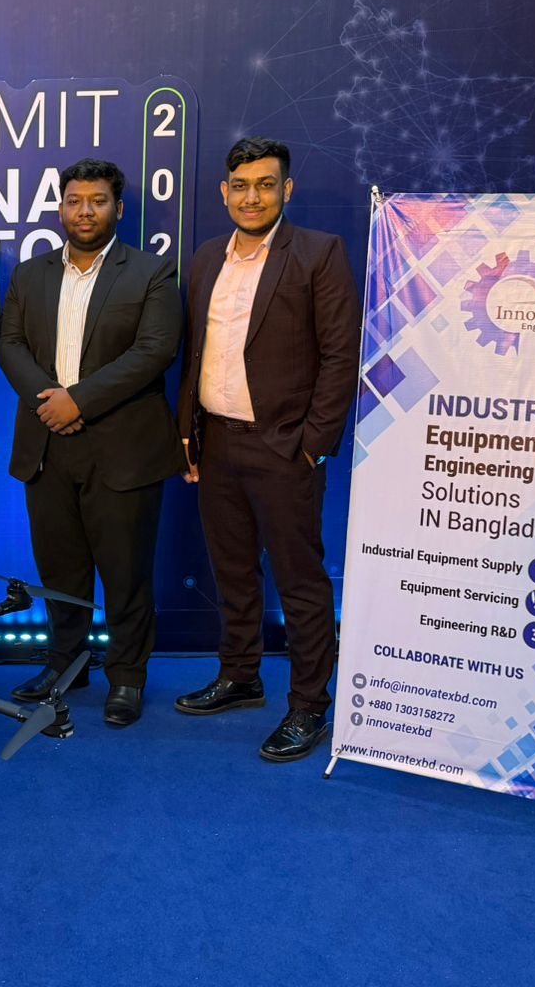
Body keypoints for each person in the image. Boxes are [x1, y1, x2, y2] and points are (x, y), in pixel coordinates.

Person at [174, 136, 360, 761]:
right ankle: (240, 676)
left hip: (285, 451)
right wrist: (188, 435)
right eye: (240, 186)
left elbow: (340, 356)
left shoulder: (318, 253)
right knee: (233, 571)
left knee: (300, 582)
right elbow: (195, 355)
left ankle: (308, 706)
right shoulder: (207, 258)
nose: (251, 197)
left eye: (265, 184)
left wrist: (313, 447)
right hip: (217, 444)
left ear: (287, 190)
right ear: (224, 192)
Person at [0, 158, 183, 727]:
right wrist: (49, 402)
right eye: (75, 200)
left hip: (123, 448)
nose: (85, 211)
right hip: (47, 444)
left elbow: (155, 351)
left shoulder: (152, 272)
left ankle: (126, 677)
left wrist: (78, 401)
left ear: (118, 208)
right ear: (61, 207)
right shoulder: (30, 274)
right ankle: (67, 664)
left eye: (97, 201)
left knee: (126, 574)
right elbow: (10, 345)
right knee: (61, 571)